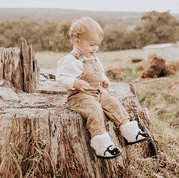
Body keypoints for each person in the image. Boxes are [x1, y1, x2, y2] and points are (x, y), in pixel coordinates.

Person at [55, 17, 149, 159]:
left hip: (97, 92)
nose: (96, 49)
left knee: (114, 103)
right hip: (79, 97)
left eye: (98, 45)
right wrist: (75, 82)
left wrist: (104, 80)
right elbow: (61, 76)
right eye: (92, 45)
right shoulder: (72, 60)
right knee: (95, 110)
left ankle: (130, 132)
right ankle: (102, 145)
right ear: (77, 42)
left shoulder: (94, 57)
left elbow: (100, 72)